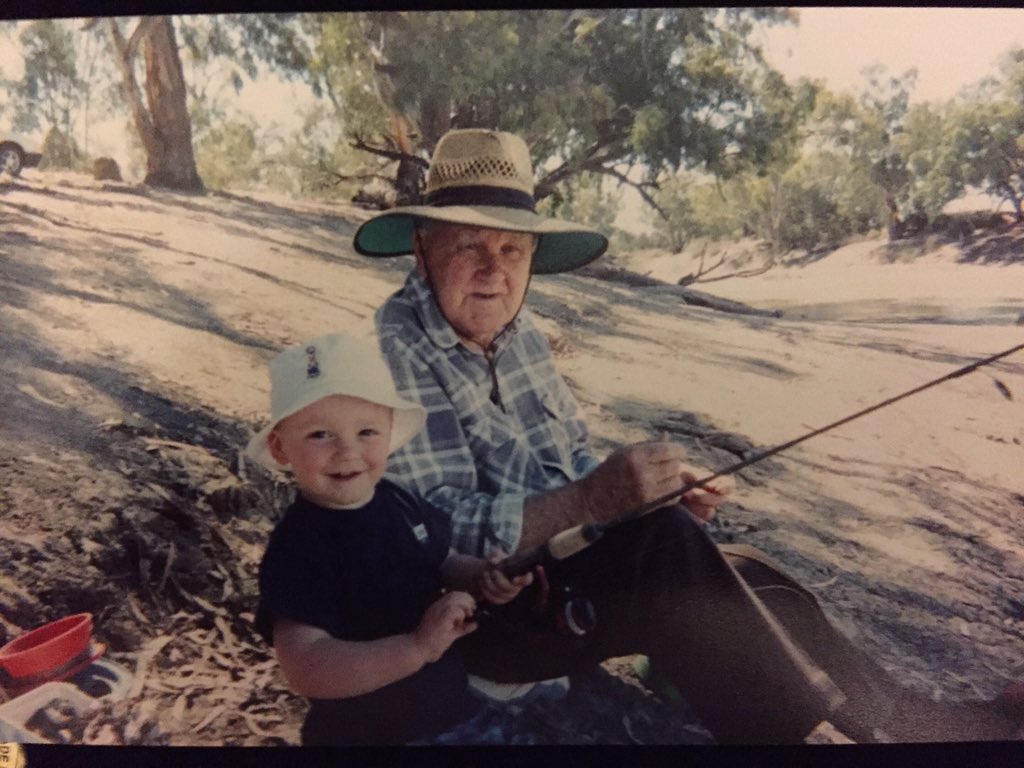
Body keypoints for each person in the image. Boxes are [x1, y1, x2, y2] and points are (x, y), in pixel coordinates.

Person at [352, 128, 1024, 743]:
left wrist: (640, 495)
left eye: (510, 248)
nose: (493, 269)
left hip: (560, 573)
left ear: (531, 257)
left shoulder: (519, 334)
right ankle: (795, 733)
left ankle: (913, 722)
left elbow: (572, 462)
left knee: (751, 574)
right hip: (475, 626)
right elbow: (432, 532)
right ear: (421, 248)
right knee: (667, 549)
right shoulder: (395, 351)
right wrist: (593, 503)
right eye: (468, 244)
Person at [248, 332, 534, 746]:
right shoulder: (301, 547)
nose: (347, 451)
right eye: (319, 435)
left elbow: (442, 560)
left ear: (389, 431)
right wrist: (415, 648)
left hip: (452, 708)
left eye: (366, 431)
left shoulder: (396, 499)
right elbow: (305, 665)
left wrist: (486, 575)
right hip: (371, 732)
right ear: (280, 447)